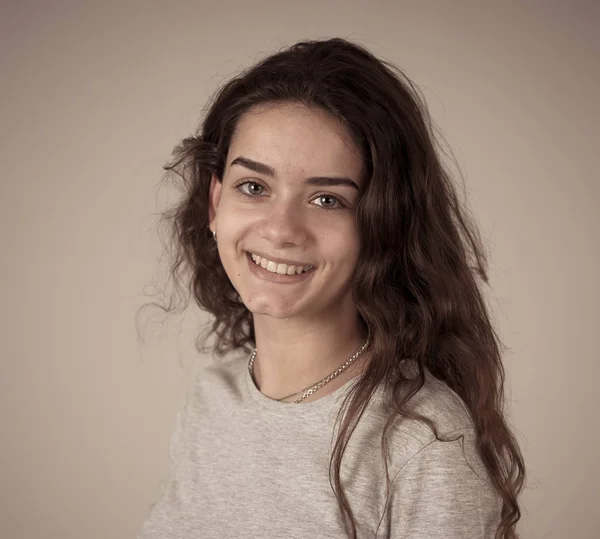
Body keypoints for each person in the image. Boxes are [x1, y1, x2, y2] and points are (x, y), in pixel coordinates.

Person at [137, 38, 525, 538]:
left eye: (326, 199)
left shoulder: (423, 442)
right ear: (216, 204)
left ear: (384, 223)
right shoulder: (211, 400)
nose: (281, 229)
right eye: (254, 187)